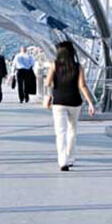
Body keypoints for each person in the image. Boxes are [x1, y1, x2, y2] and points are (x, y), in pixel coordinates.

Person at [44, 41, 96, 171]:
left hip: (59, 102)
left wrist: (48, 97)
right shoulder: (78, 67)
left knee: (60, 132)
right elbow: (82, 86)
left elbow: (48, 83)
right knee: (72, 130)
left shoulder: (54, 65)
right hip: (74, 101)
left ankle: (63, 161)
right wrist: (90, 103)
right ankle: (71, 158)